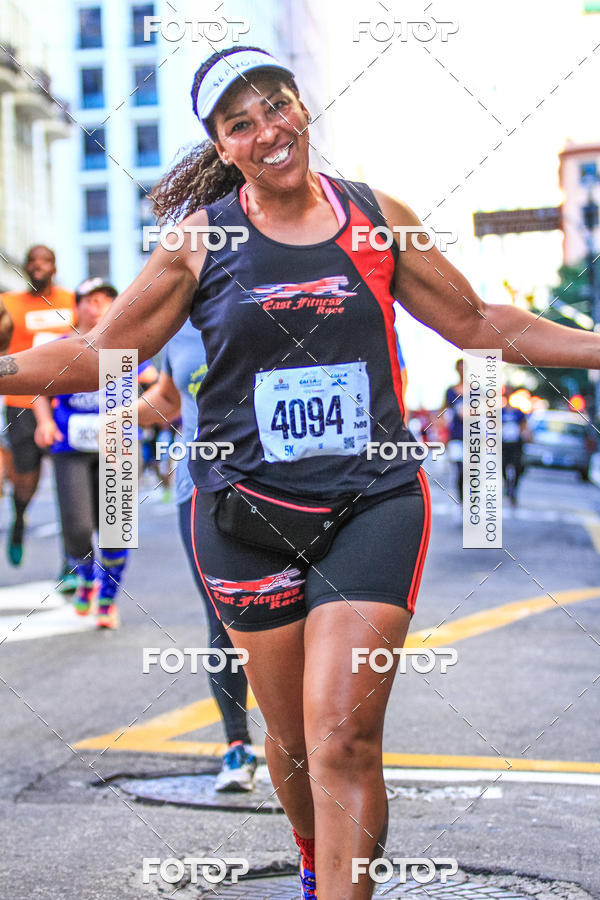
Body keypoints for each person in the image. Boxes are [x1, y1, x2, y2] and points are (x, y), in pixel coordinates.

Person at [1, 46, 599, 899]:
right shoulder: (201, 242)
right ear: (222, 145)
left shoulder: (374, 217)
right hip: (243, 513)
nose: (268, 130)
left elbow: (476, 321)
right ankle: (320, 871)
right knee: (288, 745)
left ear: (302, 107)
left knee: (342, 738)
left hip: (372, 501)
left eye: (276, 107)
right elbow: (97, 353)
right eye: (240, 123)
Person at [138, 317, 256, 791]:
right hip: (199, 489)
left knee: (303, 615)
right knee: (222, 616)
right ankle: (237, 748)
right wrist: (120, 415)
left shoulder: (264, 294)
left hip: (277, 483)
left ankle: (317, 750)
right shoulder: (173, 324)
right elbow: (169, 398)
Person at [32, 278, 128, 629]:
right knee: (77, 527)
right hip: (69, 447)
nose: (95, 306)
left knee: (114, 529)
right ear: (77, 306)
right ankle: (85, 573)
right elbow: (37, 388)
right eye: (88, 300)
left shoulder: (125, 345)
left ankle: (108, 598)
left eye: (104, 299)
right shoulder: (61, 347)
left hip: (117, 449)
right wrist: (44, 422)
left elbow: (152, 387)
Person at [0, 246, 76, 566]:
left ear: (54, 268)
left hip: (64, 402)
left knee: (68, 480)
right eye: (32, 261)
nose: (37, 267)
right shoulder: (9, 304)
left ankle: (70, 558)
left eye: (45, 261)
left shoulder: (72, 302)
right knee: (26, 476)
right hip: (22, 402)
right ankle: (19, 519)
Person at [501, 388, 530, 506]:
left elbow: (524, 426)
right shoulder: (500, 411)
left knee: (517, 467)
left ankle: (514, 489)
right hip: (503, 443)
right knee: (503, 466)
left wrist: (526, 436)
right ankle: (507, 484)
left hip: (516, 443)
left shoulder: (518, 412)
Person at [443, 359, 464, 504]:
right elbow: (445, 413)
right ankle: (461, 501)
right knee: (460, 470)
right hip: (456, 436)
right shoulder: (451, 392)